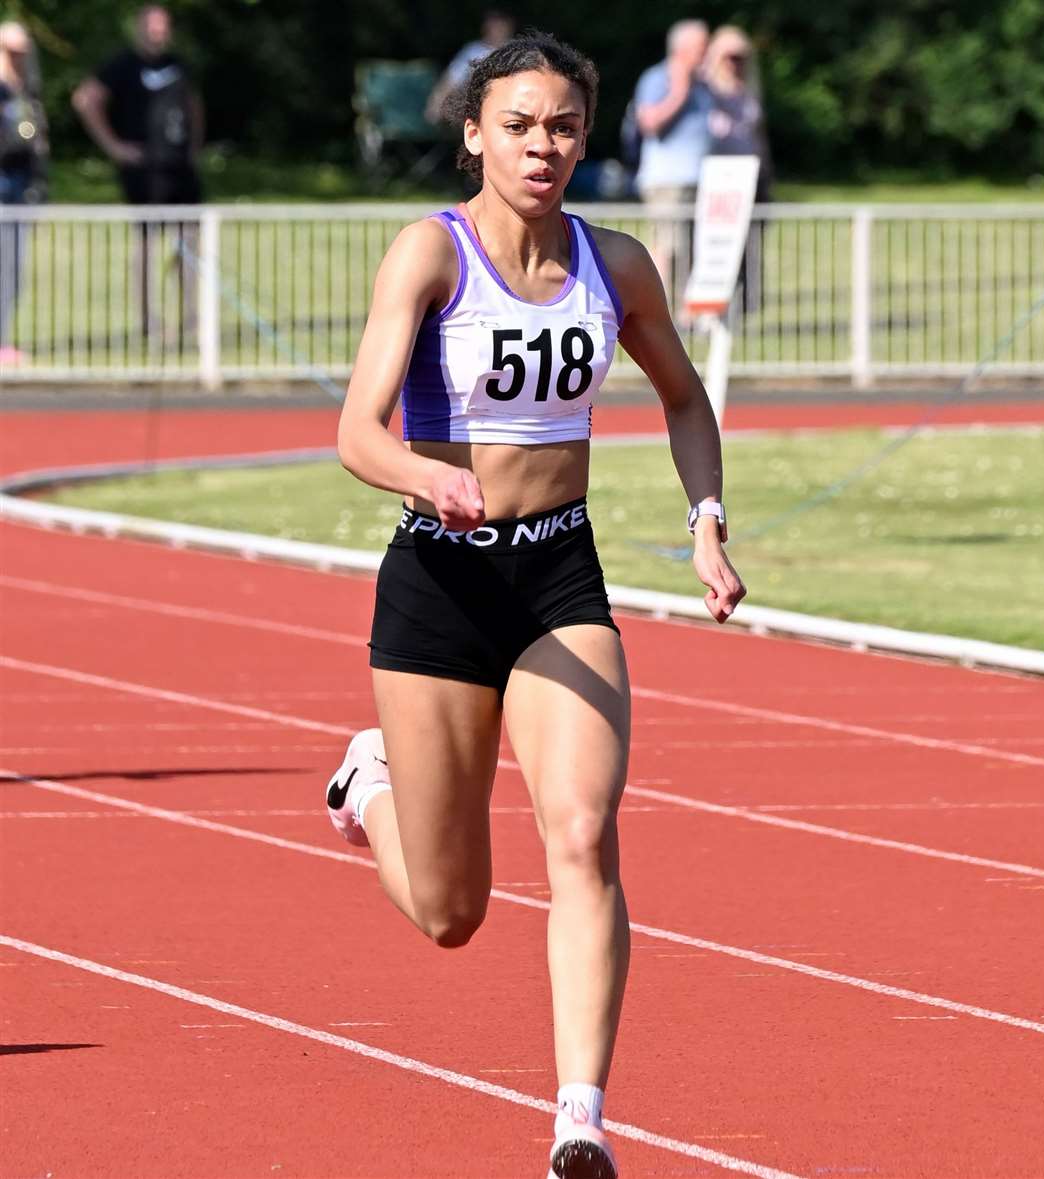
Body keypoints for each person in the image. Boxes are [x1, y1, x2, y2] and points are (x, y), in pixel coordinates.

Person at [327, 30, 745, 1179]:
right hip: (440, 586)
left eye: (562, 125)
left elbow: (685, 398)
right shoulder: (430, 254)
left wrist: (707, 520)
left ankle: (579, 1119)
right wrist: (428, 475)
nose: (542, 145)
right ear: (474, 134)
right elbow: (359, 432)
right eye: (518, 124)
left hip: (562, 578)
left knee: (582, 834)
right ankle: (372, 786)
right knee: (452, 912)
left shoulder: (617, 265)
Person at [71, 4, 203, 340]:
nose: (158, 32)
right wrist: (114, 147)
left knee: (190, 241)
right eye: (152, 25)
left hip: (180, 167)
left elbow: (193, 105)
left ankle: (191, 319)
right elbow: (84, 99)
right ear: (139, 28)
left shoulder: (178, 65)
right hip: (144, 170)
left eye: (163, 26)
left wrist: (194, 148)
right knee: (146, 244)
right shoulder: (121, 65)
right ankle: (149, 323)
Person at [631, 20, 712, 299]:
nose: (707, 52)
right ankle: (660, 311)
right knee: (670, 249)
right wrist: (680, 92)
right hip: (668, 183)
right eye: (703, 46)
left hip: (702, 181)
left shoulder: (705, 84)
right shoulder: (657, 78)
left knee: (692, 251)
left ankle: (686, 312)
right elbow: (649, 123)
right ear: (683, 49)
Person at [703, 25, 772, 315]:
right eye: (729, 57)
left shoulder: (749, 92)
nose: (734, 63)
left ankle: (748, 303)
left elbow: (758, 135)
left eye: (740, 57)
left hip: (752, 176)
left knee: (752, 242)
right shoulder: (706, 92)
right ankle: (712, 305)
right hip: (719, 181)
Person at [0, 20, 48, 367]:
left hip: (21, 187)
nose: (17, 60)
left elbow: (34, 141)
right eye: (9, 53)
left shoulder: (27, 92)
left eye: (22, 54)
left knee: (12, 268)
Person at [425, 9, 515, 126]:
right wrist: (435, 105)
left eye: (501, 24)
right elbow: (451, 80)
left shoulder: (517, 51)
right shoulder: (472, 51)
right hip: (478, 108)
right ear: (485, 27)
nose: (497, 29)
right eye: (493, 24)